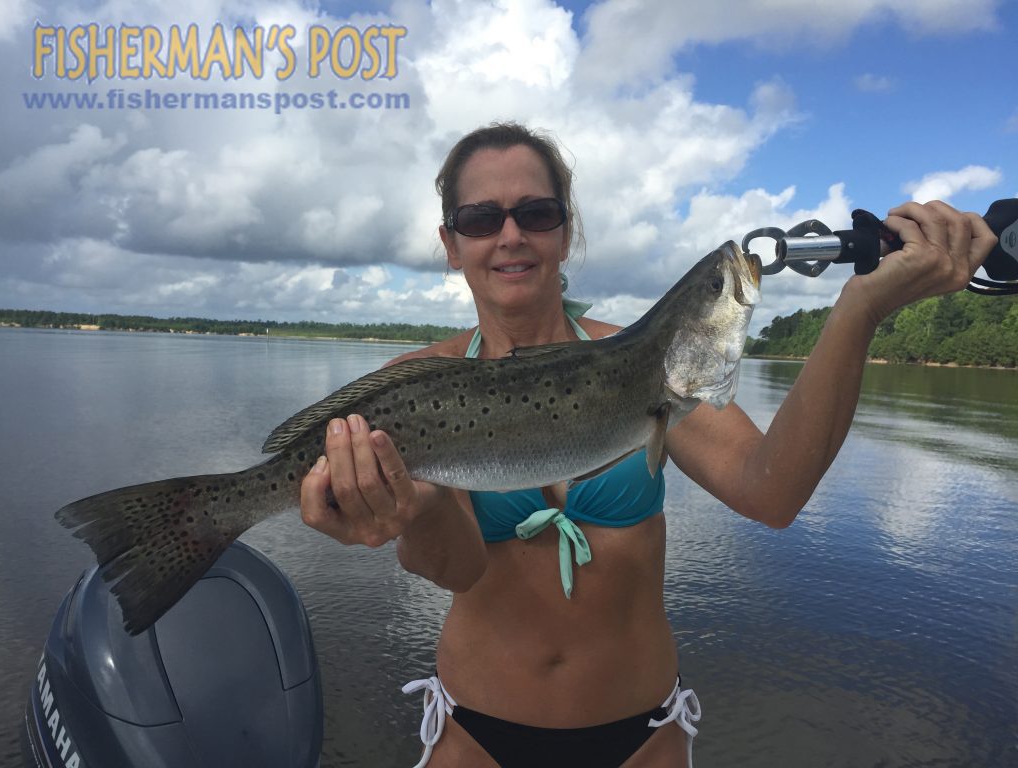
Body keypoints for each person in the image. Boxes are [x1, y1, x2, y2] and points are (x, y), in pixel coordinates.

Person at [299, 122, 997, 768]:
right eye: (482, 219)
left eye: (536, 214)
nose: (510, 235)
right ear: (452, 244)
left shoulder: (648, 367)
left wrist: (860, 309)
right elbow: (453, 567)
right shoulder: (417, 391)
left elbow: (772, 492)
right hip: (475, 733)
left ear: (565, 234)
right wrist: (412, 510)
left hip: (640, 737)